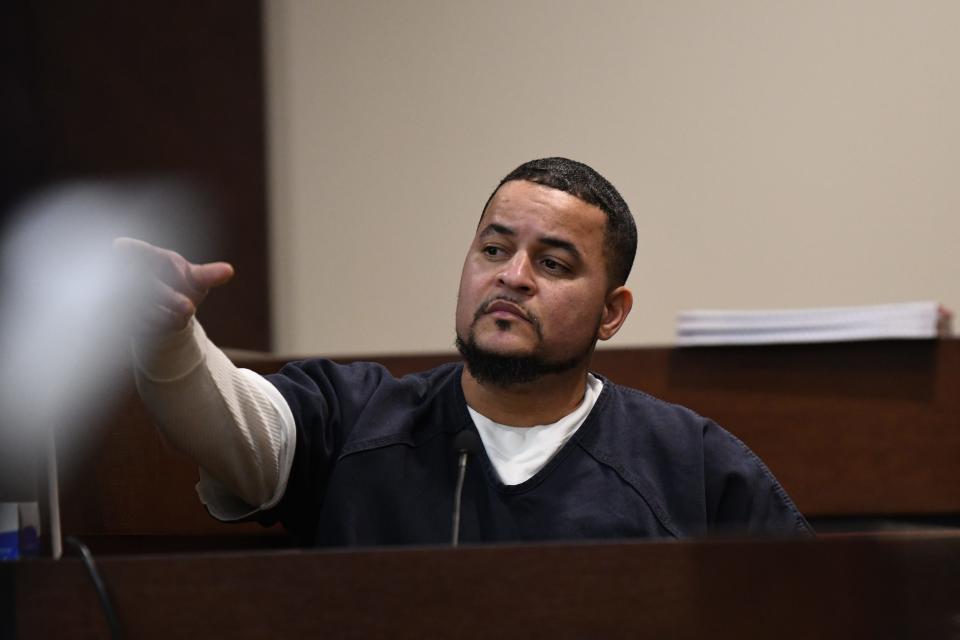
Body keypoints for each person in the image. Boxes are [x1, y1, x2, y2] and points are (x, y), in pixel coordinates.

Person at [121, 157, 812, 546]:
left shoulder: (688, 465)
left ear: (611, 313)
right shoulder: (357, 416)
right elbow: (233, 431)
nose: (512, 276)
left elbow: (811, 610)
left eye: (554, 263)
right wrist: (171, 341)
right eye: (493, 249)